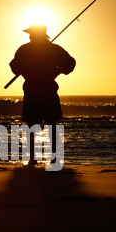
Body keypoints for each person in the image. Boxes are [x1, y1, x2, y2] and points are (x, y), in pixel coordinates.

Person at [9, 24, 76, 164]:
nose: (29, 36)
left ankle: (34, 158)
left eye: (31, 34)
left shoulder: (25, 49)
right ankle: (52, 158)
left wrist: (26, 71)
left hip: (35, 90)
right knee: (50, 125)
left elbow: (14, 66)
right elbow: (70, 63)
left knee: (34, 126)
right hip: (47, 90)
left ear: (35, 35)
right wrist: (58, 70)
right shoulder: (54, 49)